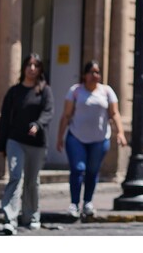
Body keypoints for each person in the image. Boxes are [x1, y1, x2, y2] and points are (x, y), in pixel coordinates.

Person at [56, 60, 127, 219]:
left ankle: (87, 202)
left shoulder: (107, 91)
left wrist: (120, 133)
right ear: (84, 75)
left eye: (97, 72)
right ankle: (74, 204)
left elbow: (114, 113)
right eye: (92, 72)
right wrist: (60, 137)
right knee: (78, 168)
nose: (95, 75)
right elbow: (66, 115)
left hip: (100, 139)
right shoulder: (75, 91)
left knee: (92, 171)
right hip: (76, 137)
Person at [0, 53, 54, 235]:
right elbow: (5, 118)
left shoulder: (44, 90)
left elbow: (48, 112)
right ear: (23, 68)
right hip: (15, 140)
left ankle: (31, 216)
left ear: (40, 70)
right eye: (29, 65)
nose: (32, 68)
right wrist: (2, 142)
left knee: (32, 181)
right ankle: (10, 219)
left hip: (37, 143)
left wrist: (38, 125)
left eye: (36, 65)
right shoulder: (14, 92)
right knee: (15, 177)